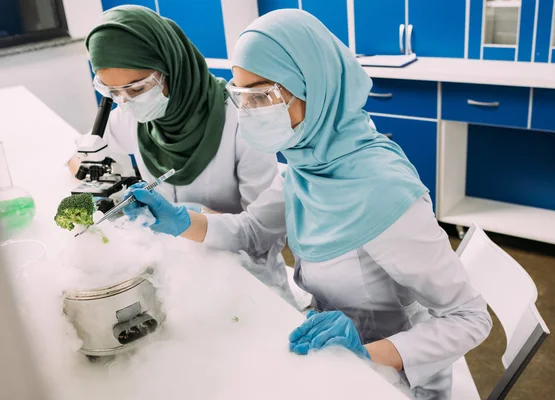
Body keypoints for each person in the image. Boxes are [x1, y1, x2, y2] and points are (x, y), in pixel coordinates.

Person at [126, 9, 492, 398]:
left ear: (311, 86)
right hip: (330, 355)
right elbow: (253, 229)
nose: (248, 112)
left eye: (261, 96)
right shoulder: (307, 162)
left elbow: (469, 319)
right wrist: (180, 221)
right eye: (241, 96)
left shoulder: (383, 192)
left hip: (392, 379)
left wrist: (366, 352)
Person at [68, 5, 295, 307]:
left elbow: (263, 234)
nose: (125, 101)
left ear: (171, 68)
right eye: (113, 92)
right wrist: (95, 176)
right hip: (179, 278)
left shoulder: (240, 119)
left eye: (136, 88)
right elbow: (81, 156)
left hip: (246, 281)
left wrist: (191, 217)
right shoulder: (133, 116)